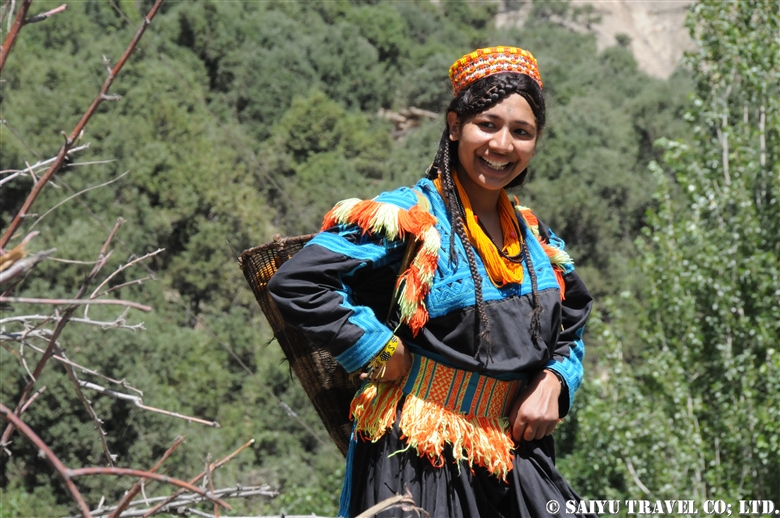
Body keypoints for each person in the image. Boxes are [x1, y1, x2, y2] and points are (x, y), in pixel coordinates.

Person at [267, 46, 594, 518]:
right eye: (488, 124)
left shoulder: (537, 239)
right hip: (419, 459)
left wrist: (554, 381)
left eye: (521, 132)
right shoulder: (410, 218)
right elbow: (298, 283)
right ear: (455, 124)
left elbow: (572, 323)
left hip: (516, 455)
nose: (503, 145)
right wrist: (379, 348)